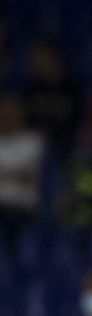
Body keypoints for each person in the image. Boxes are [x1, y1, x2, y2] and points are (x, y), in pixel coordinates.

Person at [0, 93, 44, 261]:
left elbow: (31, 177)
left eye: (11, 112)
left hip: (21, 207)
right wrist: (15, 173)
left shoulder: (33, 141)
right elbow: (21, 175)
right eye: (2, 112)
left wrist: (6, 174)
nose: (6, 117)